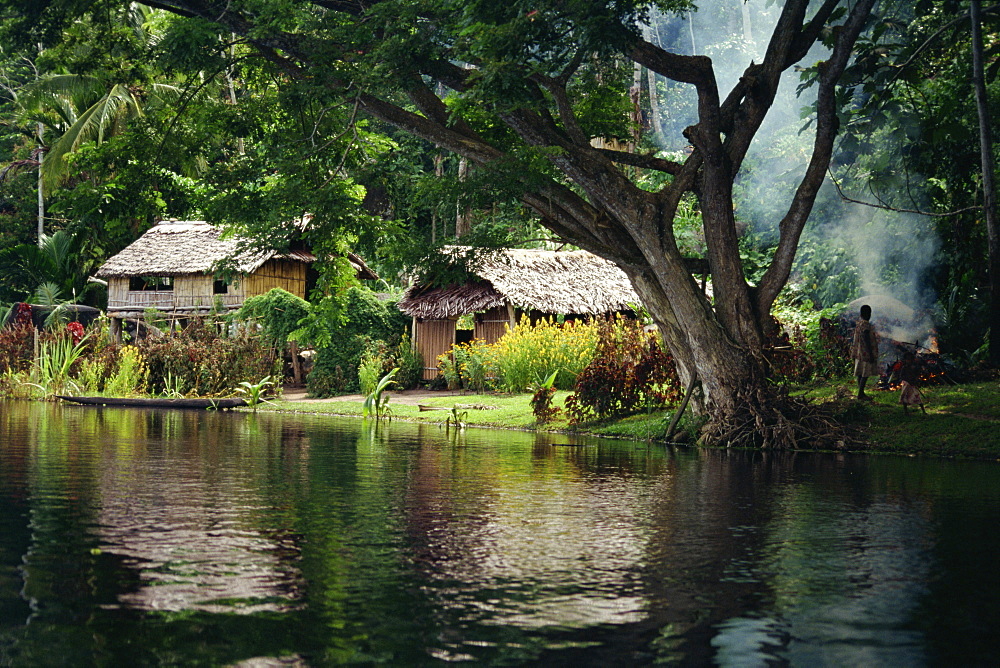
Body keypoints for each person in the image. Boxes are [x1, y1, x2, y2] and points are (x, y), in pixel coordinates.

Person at [851, 304, 879, 400]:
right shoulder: (866, 325)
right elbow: (866, 338)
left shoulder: (859, 323)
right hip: (865, 353)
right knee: (865, 374)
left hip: (859, 352)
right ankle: (860, 394)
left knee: (860, 372)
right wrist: (870, 353)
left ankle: (861, 393)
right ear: (869, 314)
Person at [898, 350, 926, 414]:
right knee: (905, 397)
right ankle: (906, 411)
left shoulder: (915, 367)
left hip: (913, 384)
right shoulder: (904, 367)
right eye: (907, 359)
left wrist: (915, 380)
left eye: (910, 359)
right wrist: (908, 380)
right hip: (906, 384)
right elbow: (902, 376)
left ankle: (923, 411)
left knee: (917, 396)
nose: (908, 361)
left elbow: (917, 374)